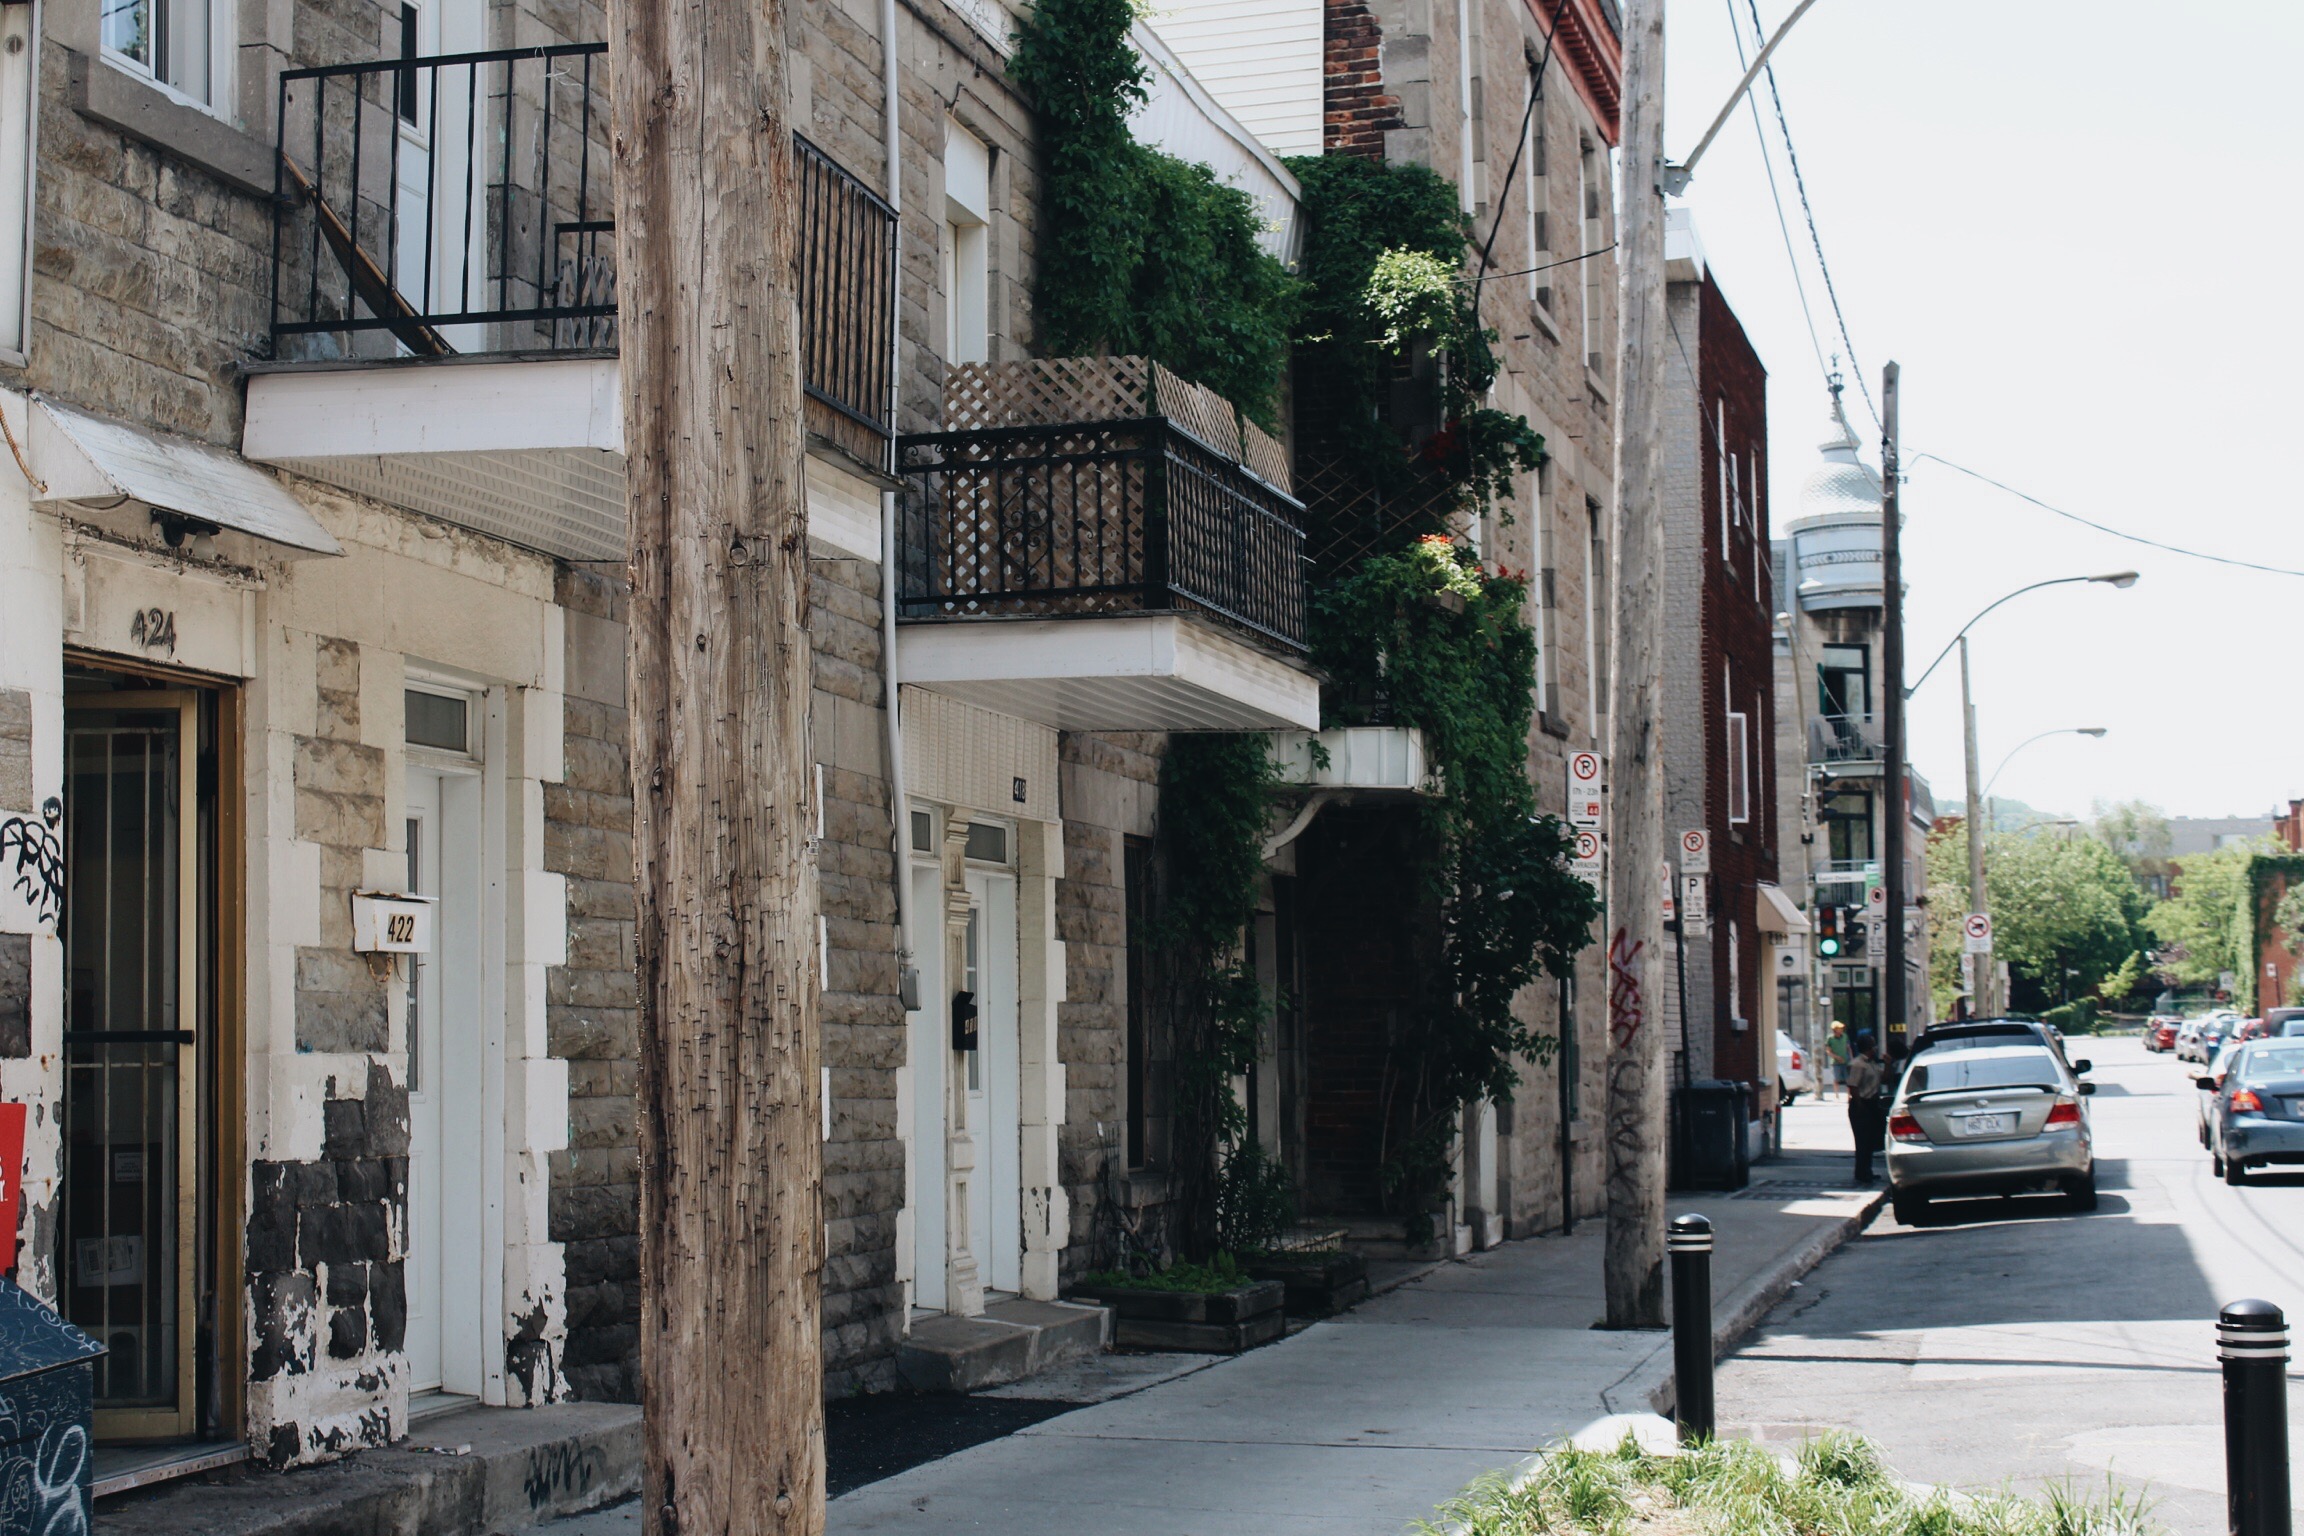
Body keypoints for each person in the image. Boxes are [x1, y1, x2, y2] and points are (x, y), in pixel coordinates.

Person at [1845, 1030, 1887, 1184]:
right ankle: (1861, 1172)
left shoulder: (1872, 1064)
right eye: (1873, 1045)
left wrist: (1888, 1064)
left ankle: (1867, 1170)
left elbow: (1884, 1078)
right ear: (1868, 1047)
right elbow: (1853, 1086)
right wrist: (1859, 1105)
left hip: (1873, 1103)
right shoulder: (1858, 1064)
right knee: (1862, 1140)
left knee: (1870, 1140)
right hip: (1862, 1103)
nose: (1875, 1048)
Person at [1824, 1020, 1850, 1101]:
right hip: (1836, 1063)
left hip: (1846, 1061)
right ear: (1835, 1029)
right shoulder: (1830, 1039)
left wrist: (1851, 1058)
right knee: (1836, 1079)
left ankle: (1848, 1096)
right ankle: (1836, 1095)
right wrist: (1837, 1057)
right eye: (1839, 1028)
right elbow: (1828, 1051)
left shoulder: (1845, 1036)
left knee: (1848, 1080)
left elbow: (1848, 1047)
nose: (1841, 1029)